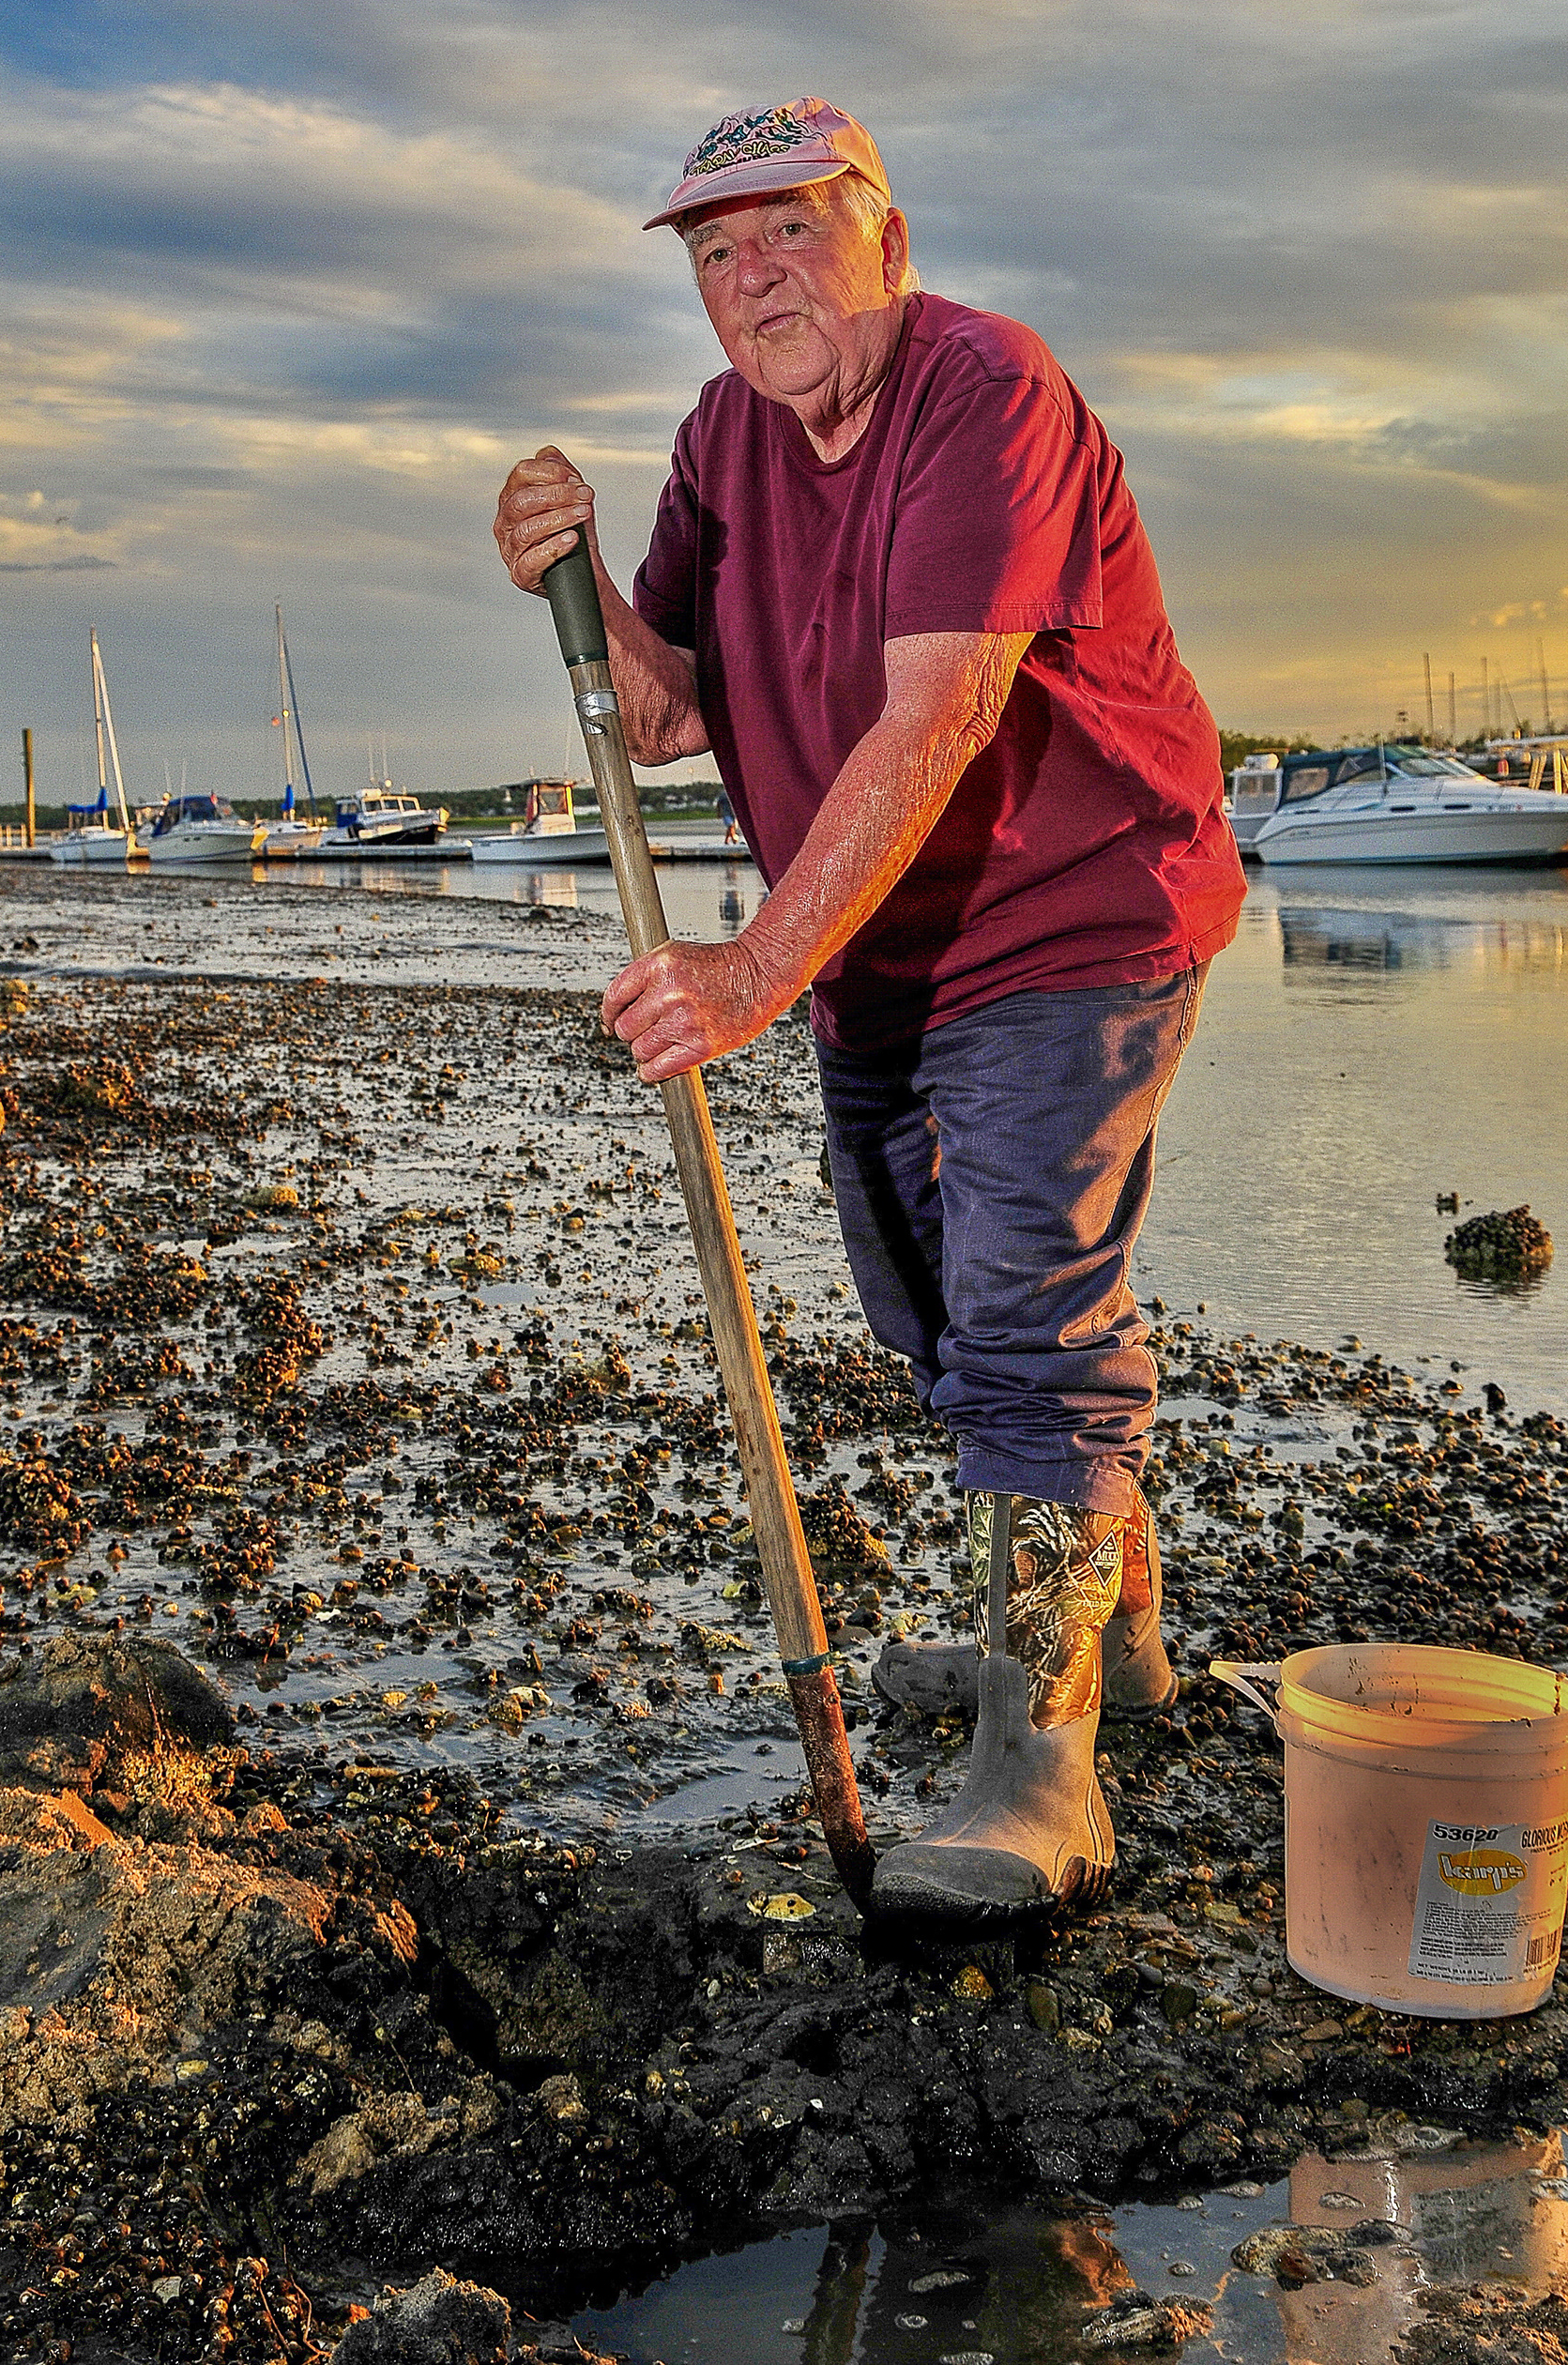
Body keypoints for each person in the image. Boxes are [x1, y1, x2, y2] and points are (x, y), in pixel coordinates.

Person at [494, 97, 1245, 1921]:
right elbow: (668, 711)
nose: (755, 282)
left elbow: (937, 713)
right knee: (929, 1309)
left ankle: (1037, 1769)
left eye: (789, 236)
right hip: (882, 951)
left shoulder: (985, 388)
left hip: (1073, 910)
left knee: (1023, 1307)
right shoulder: (722, 443)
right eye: (716, 254)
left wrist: (754, 969)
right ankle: (1104, 1637)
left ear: (885, 239)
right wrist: (575, 582)